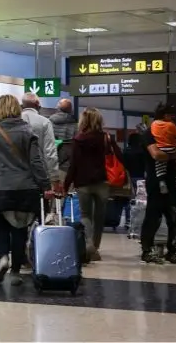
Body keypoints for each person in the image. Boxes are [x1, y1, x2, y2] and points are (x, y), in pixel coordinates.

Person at [0, 94, 50, 286]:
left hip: (0, 187)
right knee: (19, 230)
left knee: (1, 227)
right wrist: (45, 185)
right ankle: (15, 272)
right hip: (25, 187)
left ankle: (3, 257)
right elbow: (36, 162)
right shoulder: (28, 132)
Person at [63, 108, 123, 262]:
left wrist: (65, 185)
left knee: (85, 215)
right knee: (99, 217)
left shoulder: (78, 139)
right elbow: (120, 156)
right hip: (103, 182)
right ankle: (95, 248)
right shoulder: (106, 138)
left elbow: (73, 165)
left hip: (83, 183)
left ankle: (88, 244)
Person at [140, 104, 176, 264]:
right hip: (156, 181)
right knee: (153, 216)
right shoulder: (149, 133)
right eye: (172, 116)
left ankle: (172, 250)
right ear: (165, 115)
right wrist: (172, 155)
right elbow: (156, 154)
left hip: (170, 180)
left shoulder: (169, 132)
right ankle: (147, 251)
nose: (174, 119)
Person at [21, 93, 61, 221]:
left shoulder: (14, 121)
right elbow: (50, 152)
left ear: (22, 105)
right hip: (39, 176)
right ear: (38, 105)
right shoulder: (44, 122)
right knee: (40, 214)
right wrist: (54, 178)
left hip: (16, 175)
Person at [150, 105, 176, 179]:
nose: (172, 117)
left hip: (160, 147)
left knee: (159, 166)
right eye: (171, 115)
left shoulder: (153, 124)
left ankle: (161, 179)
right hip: (171, 148)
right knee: (175, 160)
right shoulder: (170, 124)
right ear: (165, 115)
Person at [50, 98, 77, 182]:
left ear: (57, 108)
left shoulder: (49, 122)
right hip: (69, 165)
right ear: (71, 110)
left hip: (53, 163)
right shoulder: (75, 124)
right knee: (69, 193)